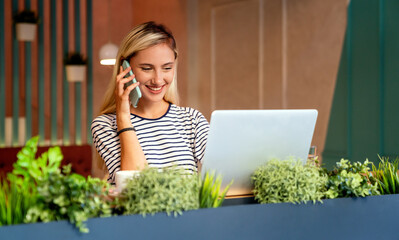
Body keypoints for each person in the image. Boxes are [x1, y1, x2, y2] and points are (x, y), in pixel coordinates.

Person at [91, 22, 209, 184]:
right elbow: (135, 185)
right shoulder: (105, 125)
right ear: (125, 68)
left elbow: (227, 172)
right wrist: (123, 118)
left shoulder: (192, 120)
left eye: (167, 68)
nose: (158, 80)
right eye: (147, 68)